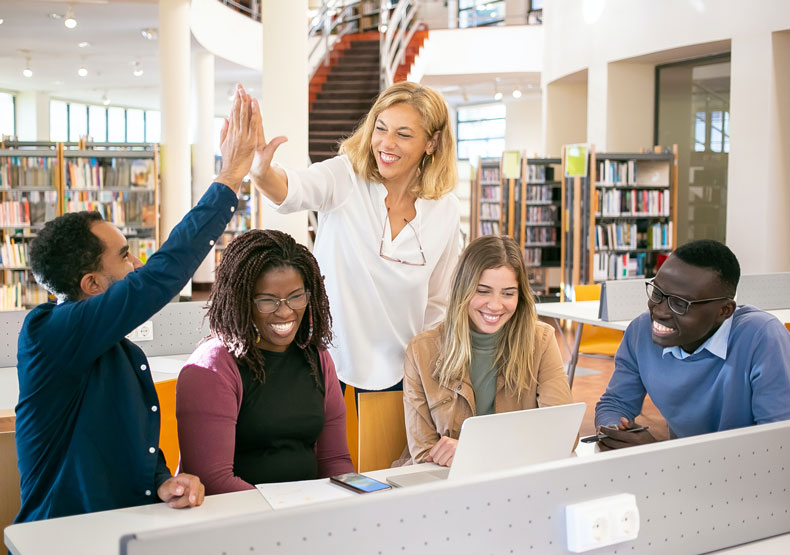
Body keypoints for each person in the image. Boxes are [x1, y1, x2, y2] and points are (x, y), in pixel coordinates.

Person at [14, 84, 259, 523]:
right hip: (61, 540)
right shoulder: (47, 334)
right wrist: (228, 180)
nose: (137, 264)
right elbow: (159, 278)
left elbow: (129, 446)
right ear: (90, 284)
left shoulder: (120, 352)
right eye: (125, 256)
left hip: (124, 531)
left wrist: (164, 480)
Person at [248, 81, 461, 395]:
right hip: (326, 364)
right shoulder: (345, 177)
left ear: (432, 142)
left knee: (386, 447)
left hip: (402, 373)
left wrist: (427, 373)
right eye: (381, 128)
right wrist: (262, 173)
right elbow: (294, 189)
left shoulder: (446, 210)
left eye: (403, 134)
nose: (386, 144)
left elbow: (438, 302)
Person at [176, 230, 354, 494]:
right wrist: (287, 513)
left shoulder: (317, 358)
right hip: (240, 519)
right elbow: (213, 480)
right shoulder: (212, 367)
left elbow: (334, 460)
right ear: (241, 300)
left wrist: (356, 496)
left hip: (306, 513)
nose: (285, 311)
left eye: (296, 296)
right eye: (268, 301)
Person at [594, 240, 790, 450]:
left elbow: (777, 445)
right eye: (657, 293)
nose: (659, 311)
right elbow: (615, 403)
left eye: (680, 304)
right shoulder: (641, 331)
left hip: (750, 475)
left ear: (724, 311)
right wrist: (615, 430)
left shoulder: (761, 337)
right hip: (685, 473)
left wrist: (657, 454)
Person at [400, 235, 574, 466]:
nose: (495, 305)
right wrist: (510, 449)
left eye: (508, 293)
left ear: (520, 296)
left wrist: (474, 451)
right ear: (464, 289)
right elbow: (424, 455)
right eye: (483, 291)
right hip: (445, 484)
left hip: (515, 479)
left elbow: (563, 435)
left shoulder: (541, 341)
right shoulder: (421, 351)